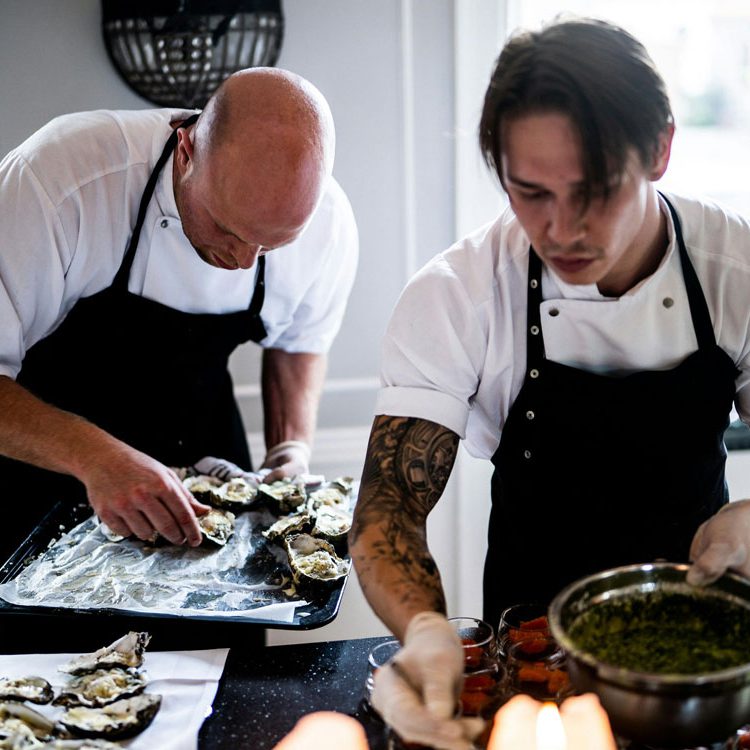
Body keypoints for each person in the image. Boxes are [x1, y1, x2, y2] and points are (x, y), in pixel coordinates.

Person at [350, 17, 750, 750]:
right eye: (528, 191)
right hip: (531, 669)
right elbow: (388, 508)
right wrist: (427, 630)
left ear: (660, 149)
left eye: (592, 190)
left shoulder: (737, 272)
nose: (561, 228)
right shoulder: (458, 294)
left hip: (702, 670)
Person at [0, 67, 358, 561]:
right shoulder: (61, 181)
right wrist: (95, 457)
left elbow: (298, 344)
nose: (243, 261)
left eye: (272, 244)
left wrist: (289, 451)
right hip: (45, 476)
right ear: (185, 150)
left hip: (205, 459)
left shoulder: (329, 225)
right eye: (228, 229)